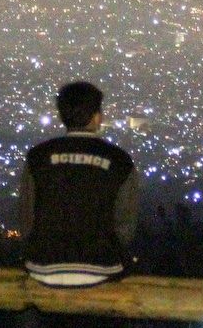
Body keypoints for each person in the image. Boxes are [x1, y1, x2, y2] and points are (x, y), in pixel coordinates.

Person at [19, 81, 139, 286]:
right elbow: (125, 226)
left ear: (62, 116)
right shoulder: (120, 161)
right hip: (103, 267)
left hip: (42, 266)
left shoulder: (37, 157)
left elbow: (27, 219)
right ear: (97, 117)